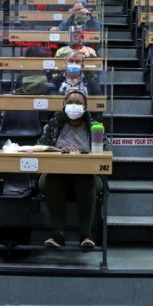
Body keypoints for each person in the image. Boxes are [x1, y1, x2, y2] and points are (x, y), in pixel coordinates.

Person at [38, 90, 108, 249]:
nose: (73, 106)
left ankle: (86, 235)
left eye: (78, 103)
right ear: (64, 105)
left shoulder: (94, 127)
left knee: (86, 178)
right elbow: (40, 147)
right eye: (70, 102)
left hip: (86, 176)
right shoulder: (54, 124)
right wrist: (59, 151)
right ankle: (58, 234)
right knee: (54, 179)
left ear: (85, 107)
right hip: (55, 174)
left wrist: (81, 155)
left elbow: (106, 151)